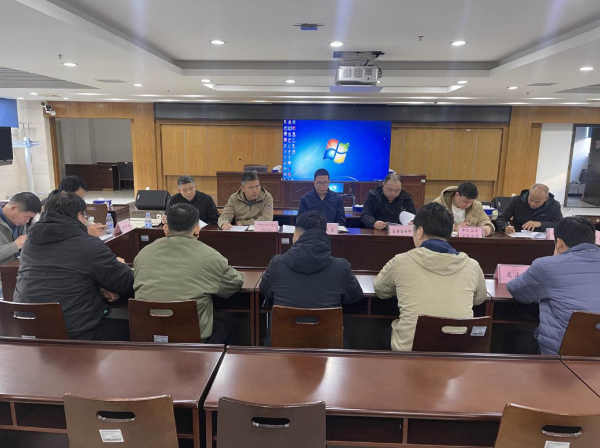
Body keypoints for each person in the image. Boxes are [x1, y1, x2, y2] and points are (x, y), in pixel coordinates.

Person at [14, 193, 133, 341]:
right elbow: (125, 282)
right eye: (85, 216)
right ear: (79, 216)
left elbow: (62, 278)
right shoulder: (89, 245)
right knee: (139, 329)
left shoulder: (29, 243)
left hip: (28, 328)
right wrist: (119, 266)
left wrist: (98, 286)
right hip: (74, 333)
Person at [374, 202, 487, 351]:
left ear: (420, 231)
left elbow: (380, 290)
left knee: (386, 333)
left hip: (411, 351)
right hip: (458, 351)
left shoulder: (400, 261)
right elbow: (479, 299)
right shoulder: (472, 265)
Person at [134, 203, 244, 343]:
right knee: (228, 328)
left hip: (147, 338)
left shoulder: (143, 254)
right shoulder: (209, 256)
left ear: (166, 228)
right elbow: (235, 283)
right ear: (197, 228)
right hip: (192, 341)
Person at [259, 211, 363, 345]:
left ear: (297, 236)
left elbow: (265, 290)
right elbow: (355, 296)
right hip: (328, 346)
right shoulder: (341, 267)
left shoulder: (277, 263)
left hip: (283, 345)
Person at [505, 216, 600, 355]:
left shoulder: (546, 265)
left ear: (559, 242)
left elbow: (517, 291)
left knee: (510, 337)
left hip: (560, 355)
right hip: (596, 354)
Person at [42, 176, 106, 237]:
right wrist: (86, 232)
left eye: (82, 199)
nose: (79, 201)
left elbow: (83, 219)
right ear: (64, 193)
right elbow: (57, 234)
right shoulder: (47, 209)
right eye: (78, 197)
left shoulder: (72, 204)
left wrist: (94, 226)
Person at [497, 183, 563, 233]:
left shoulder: (554, 205)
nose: (532, 203)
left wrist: (540, 224)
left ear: (546, 198)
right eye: (531, 199)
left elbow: (559, 224)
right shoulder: (516, 201)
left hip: (542, 239)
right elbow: (502, 218)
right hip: (518, 236)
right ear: (529, 194)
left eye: (537, 202)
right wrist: (505, 227)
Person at [0, 192, 41, 264]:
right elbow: (18, 244)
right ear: (14, 208)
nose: (27, 221)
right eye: (27, 217)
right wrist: (16, 245)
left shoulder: (19, 222)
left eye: (30, 218)